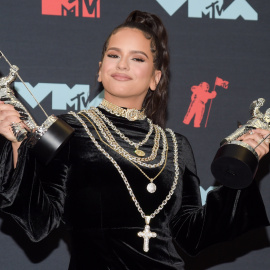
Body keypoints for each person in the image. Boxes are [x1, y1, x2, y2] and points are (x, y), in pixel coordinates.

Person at [0, 10, 269, 270]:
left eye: (138, 59)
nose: (122, 64)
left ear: (156, 78)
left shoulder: (176, 146)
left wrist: (241, 166)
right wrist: (16, 143)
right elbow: (38, 221)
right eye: (113, 54)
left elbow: (193, 234)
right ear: (99, 69)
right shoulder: (66, 129)